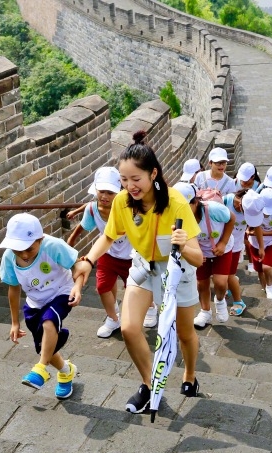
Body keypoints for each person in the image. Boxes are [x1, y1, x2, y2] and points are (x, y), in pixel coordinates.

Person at [72, 130, 204, 413]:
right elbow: (108, 236)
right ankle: (149, 384)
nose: (130, 186)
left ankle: (190, 375)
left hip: (177, 273)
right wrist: (88, 260)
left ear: (153, 174)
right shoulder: (122, 202)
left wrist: (183, 242)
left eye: (136, 179)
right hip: (144, 269)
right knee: (130, 328)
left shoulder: (176, 203)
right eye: (124, 180)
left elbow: (198, 258)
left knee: (184, 333)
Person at [0, 213, 84, 400]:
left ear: (40, 239)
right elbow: (13, 290)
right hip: (34, 303)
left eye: (29, 249)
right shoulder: (9, 258)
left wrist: (77, 287)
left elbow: (79, 266)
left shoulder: (53, 246)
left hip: (61, 292)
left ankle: (40, 369)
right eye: (17, 249)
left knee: (49, 322)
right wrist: (15, 322)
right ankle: (66, 371)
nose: (23, 254)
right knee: (45, 346)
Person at [67, 167, 130, 338]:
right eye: (102, 191)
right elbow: (82, 226)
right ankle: (113, 317)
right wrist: (71, 242)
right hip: (107, 254)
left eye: (110, 192)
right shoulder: (93, 209)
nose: (105, 196)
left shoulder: (129, 208)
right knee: (102, 287)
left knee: (133, 289)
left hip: (131, 256)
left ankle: (151, 309)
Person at [174, 182, 235, 329]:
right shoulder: (176, 219)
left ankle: (220, 301)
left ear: (195, 202)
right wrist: (194, 253)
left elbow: (231, 218)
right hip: (200, 254)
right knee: (201, 283)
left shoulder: (213, 209)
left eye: (185, 206)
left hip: (221, 249)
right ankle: (205, 311)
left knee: (220, 282)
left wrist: (223, 242)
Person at [245, 189, 272, 299]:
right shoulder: (255, 209)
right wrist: (249, 231)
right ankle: (264, 286)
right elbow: (253, 226)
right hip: (255, 242)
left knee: (267, 267)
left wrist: (266, 233)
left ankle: (270, 286)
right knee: (259, 269)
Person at [223, 188, 250, 315]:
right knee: (221, 275)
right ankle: (225, 290)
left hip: (236, 246)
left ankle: (238, 302)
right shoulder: (226, 200)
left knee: (229, 275)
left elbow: (257, 227)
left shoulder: (251, 207)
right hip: (221, 244)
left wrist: (260, 247)